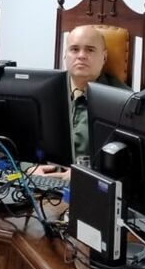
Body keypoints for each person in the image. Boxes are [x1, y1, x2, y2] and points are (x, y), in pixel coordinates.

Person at [37, 24, 129, 176]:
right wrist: (28, 168)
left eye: (90, 50)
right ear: (65, 55)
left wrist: (83, 175)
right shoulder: (43, 91)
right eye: (74, 49)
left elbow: (126, 162)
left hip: (92, 189)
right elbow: (22, 141)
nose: (81, 55)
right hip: (41, 182)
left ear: (104, 56)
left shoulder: (123, 102)